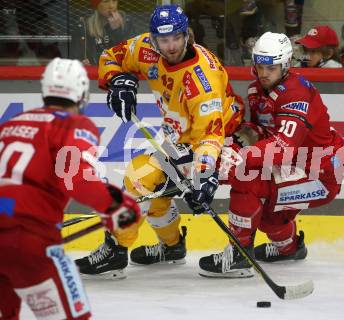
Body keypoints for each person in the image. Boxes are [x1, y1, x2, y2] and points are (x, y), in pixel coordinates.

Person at [75, 4, 244, 278]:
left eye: (177, 37)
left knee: (142, 179)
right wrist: (118, 80)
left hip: (221, 141)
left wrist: (203, 176)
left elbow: (210, 136)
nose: (172, 46)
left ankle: (117, 249)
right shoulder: (147, 49)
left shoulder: (202, 80)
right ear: (154, 39)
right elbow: (110, 57)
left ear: (187, 35)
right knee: (145, 183)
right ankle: (171, 247)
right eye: (164, 40)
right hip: (179, 139)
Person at [0, 58, 141, 319]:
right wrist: (115, 206)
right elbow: (75, 176)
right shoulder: (73, 125)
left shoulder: (10, 124)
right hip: (30, 240)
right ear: (82, 93)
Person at [198, 32, 344, 277]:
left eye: (271, 67)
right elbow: (262, 133)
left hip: (320, 176)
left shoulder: (296, 93)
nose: (264, 72)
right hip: (294, 169)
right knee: (268, 219)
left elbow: (283, 147)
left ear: (286, 64)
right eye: (259, 65)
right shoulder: (256, 89)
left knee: (247, 179)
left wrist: (240, 157)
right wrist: (234, 142)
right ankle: (289, 249)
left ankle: (239, 254)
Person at [71, 0, 136, 65]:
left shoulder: (127, 22)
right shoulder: (83, 27)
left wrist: (117, 31)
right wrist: (81, 64)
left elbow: (131, 56)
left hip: (118, 72)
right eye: (106, 1)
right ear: (96, 5)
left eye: (114, 1)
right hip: (95, 72)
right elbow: (75, 59)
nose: (111, 6)